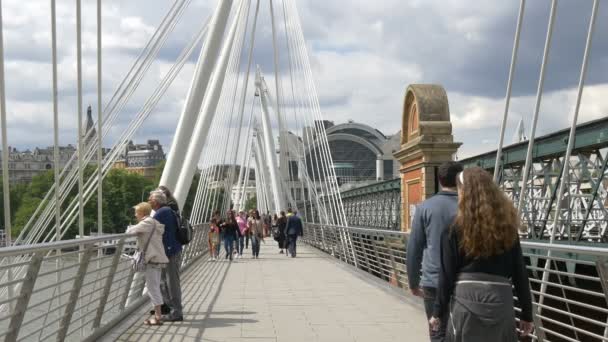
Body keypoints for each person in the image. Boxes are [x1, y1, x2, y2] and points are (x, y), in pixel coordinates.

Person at [430, 168, 534, 341]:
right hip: (501, 299)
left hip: (465, 299)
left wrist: (438, 312)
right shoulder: (508, 228)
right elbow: (520, 273)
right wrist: (526, 313)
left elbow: (446, 275)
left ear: (464, 191)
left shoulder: (452, 228)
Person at [406, 161, 462, 341]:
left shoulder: (424, 208)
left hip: (433, 280)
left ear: (439, 180)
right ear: (461, 179)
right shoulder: (472, 207)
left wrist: (413, 282)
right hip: (464, 281)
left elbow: (414, 248)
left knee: (437, 331)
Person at [127, 202, 169, 326]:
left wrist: (130, 227)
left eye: (136, 212)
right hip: (157, 258)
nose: (135, 215)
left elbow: (130, 231)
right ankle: (157, 315)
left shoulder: (146, 223)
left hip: (152, 259)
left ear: (141, 212)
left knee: (153, 288)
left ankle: (157, 317)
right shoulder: (153, 222)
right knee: (154, 287)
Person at [149, 190, 183, 322]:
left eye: (150, 199)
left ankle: (176, 312)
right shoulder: (166, 211)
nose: (148, 201)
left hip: (170, 252)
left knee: (170, 283)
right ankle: (171, 310)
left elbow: (148, 226)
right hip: (168, 252)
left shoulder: (162, 212)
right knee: (164, 282)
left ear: (156, 201)